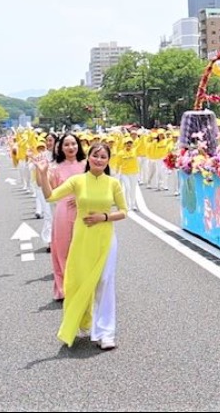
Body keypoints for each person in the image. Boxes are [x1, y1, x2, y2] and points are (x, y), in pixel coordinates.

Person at [36, 142, 127, 350]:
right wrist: (42, 175)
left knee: (105, 282)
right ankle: (82, 321)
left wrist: (103, 217)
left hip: (105, 239)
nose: (99, 159)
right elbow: (51, 196)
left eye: (104, 157)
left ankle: (106, 333)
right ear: (88, 158)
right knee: (80, 282)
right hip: (82, 240)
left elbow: (124, 211)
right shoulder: (77, 181)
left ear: (108, 161)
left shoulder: (113, 183)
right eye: (96, 155)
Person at [47, 133, 87, 301]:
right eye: (67, 145)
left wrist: (81, 199)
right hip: (63, 212)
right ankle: (64, 288)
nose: (71, 148)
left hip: (85, 211)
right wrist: (42, 174)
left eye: (74, 144)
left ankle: (85, 284)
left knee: (85, 249)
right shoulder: (54, 168)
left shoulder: (87, 165)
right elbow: (49, 193)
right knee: (63, 249)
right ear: (60, 148)